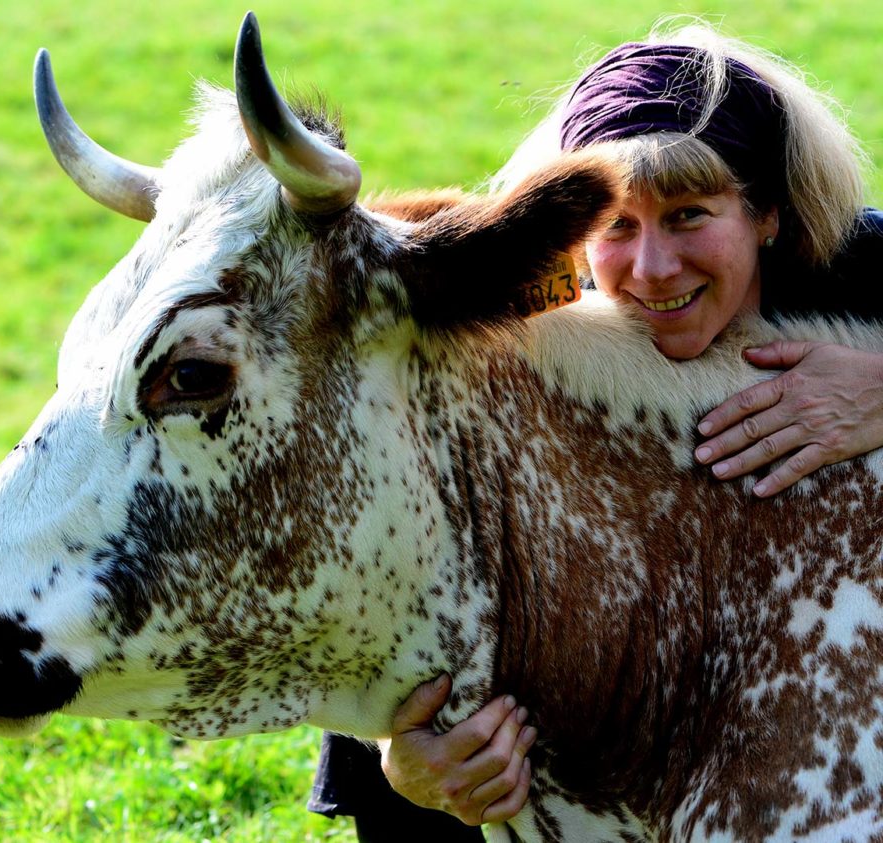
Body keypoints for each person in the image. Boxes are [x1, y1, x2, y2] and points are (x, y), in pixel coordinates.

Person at [309, 19, 883, 839]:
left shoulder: (861, 271)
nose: (651, 269)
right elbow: (395, 550)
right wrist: (400, 762)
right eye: (617, 225)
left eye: (689, 214)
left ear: (770, 216)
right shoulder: (521, 343)